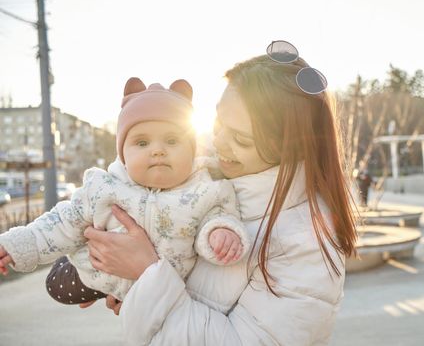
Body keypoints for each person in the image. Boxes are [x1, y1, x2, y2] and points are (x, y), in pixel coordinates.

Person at [79, 42, 359, 345]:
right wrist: (131, 288)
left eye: (240, 138)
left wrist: (146, 273)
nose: (219, 142)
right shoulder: (204, 182)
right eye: (218, 122)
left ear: (289, 148)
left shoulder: (306, 242)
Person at [0, 78, 249, 311]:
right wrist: (19, 245)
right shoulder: (104, 187)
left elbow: (219, 215)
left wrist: (220, 233)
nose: (158, 151)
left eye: (172, 141)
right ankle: (76, 262)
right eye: (142, 143)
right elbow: (61, 221)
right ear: (123, 154)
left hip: (157, 290)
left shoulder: (205, 190)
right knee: (57, 284)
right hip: (101, 274)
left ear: (192, 149)